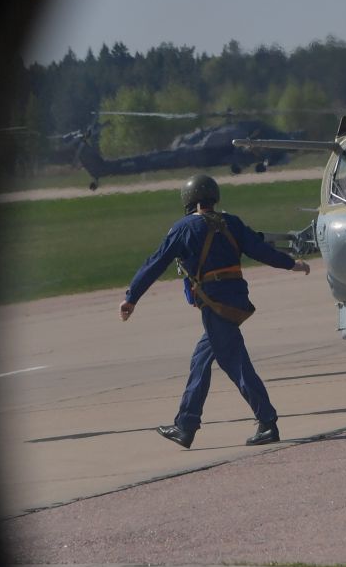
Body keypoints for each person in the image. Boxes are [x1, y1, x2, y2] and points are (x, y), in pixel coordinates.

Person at [120, 173, 311, 449]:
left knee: (237, 364)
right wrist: (290, 264)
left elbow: (156, 262)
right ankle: (185, 426)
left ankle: (267, 421)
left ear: (188, 200)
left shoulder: (184, 228)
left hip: (214, 303)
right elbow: (260, 249)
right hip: (234, 300)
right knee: (201, 360)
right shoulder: (231, 222)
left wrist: (132, 297)